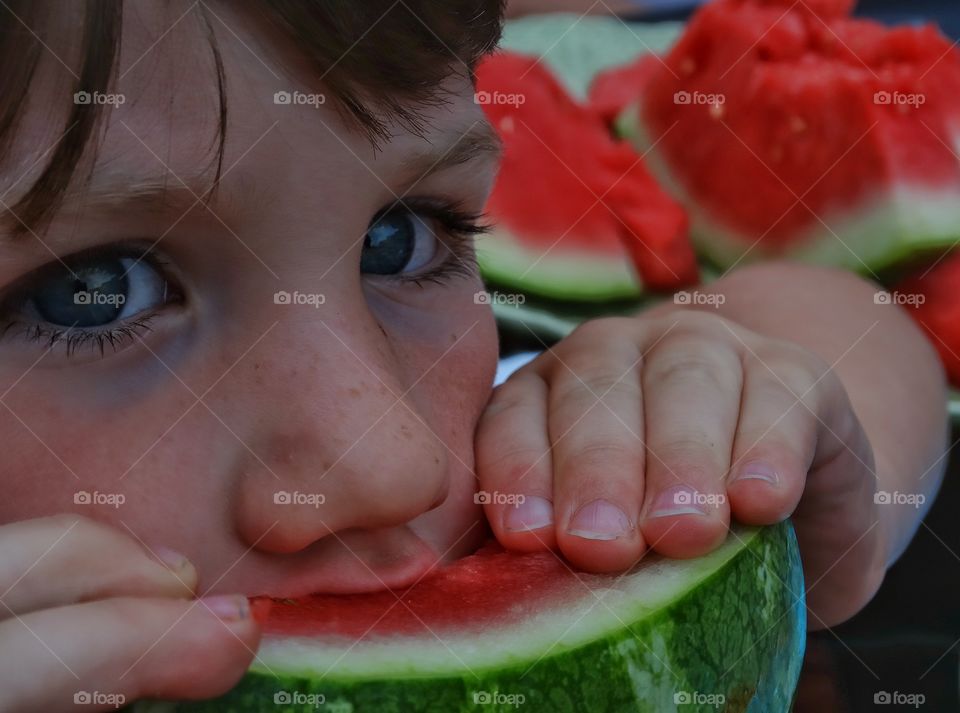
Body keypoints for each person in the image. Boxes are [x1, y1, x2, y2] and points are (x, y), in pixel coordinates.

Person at [0, 1, 946, 710]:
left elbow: (825, 315)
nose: (393, 465)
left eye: (402, 240)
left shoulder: (531, 470)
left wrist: (760, 444)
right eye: (94, 292)